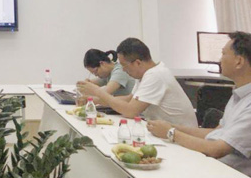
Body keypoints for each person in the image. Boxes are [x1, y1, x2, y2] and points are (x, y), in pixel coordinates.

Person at [147, 32, 251, 176]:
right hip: (214, 166)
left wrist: (171, 133)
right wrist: (171, 126)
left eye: (223, 54)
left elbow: (216, 149)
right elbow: (215, 132)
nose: (220, 59)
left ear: (239, 62)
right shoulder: (238, 95)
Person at [77, 37, 197, 127]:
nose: (123, 70)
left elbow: (130, 111)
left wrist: (98, 92)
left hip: (180, 136)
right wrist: (93, 100)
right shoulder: (147, 74)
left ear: (137, 63)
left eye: (124, 66)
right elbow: (129, 99)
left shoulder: (155, 75)